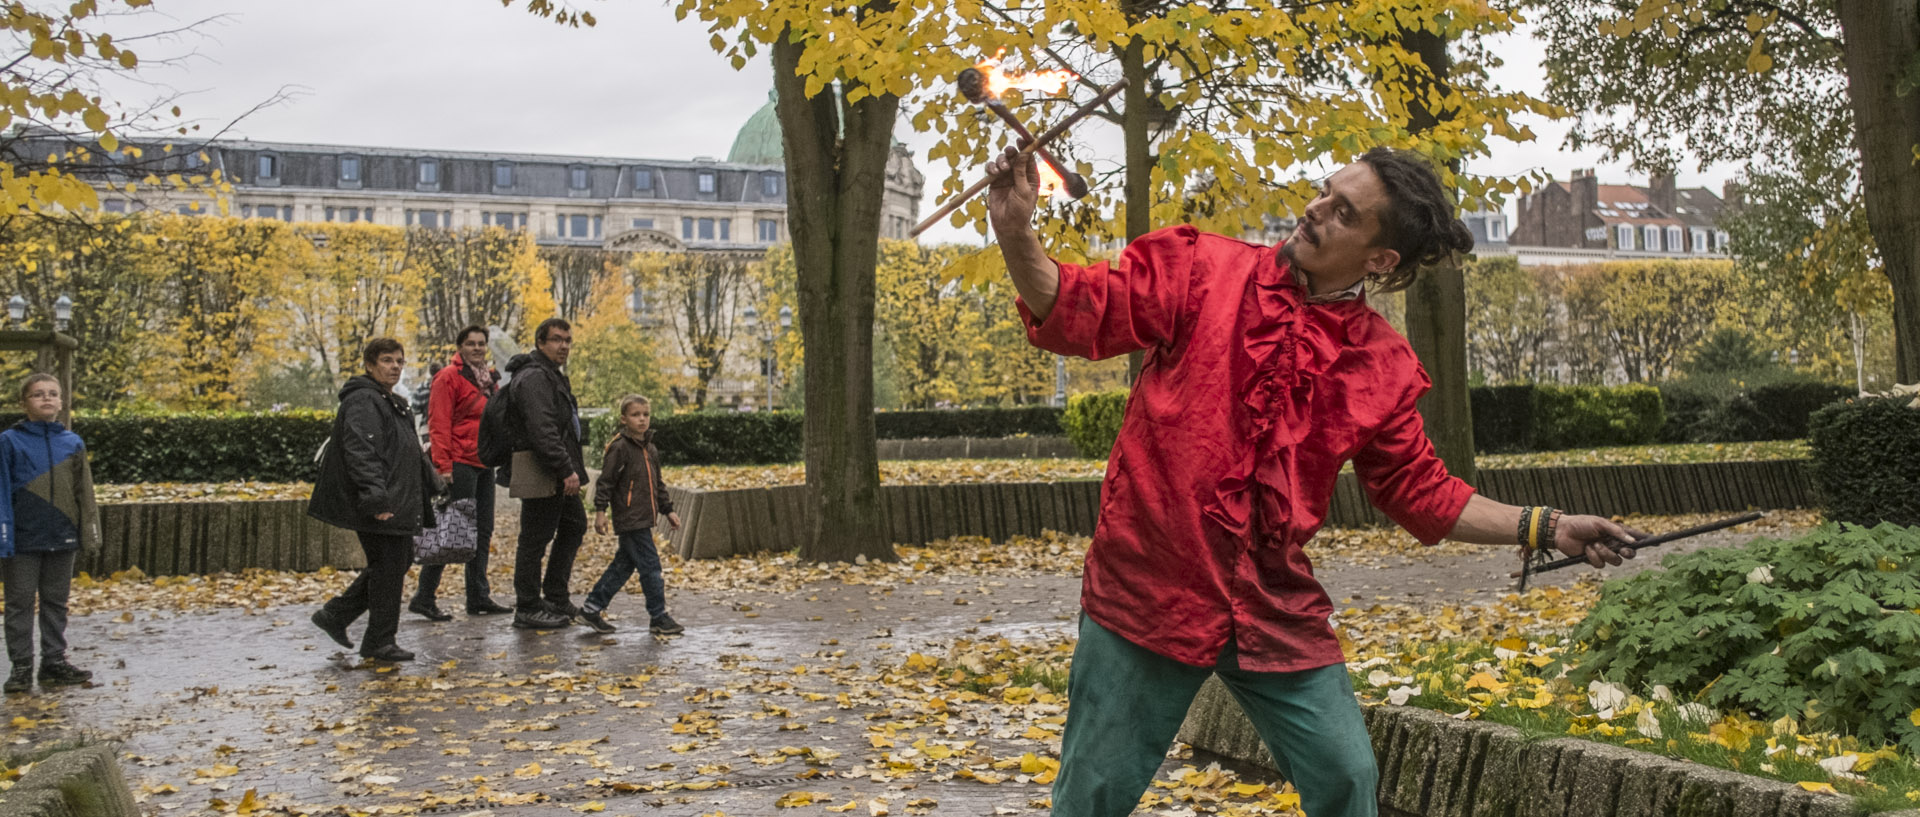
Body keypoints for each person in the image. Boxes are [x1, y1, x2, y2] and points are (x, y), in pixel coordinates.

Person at [981, 145, 1645, 817]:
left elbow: (1423, 492)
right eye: (1325, 192)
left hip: (1272, 604)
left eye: (1343, 211)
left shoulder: (1379, 363)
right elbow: (1075, 306)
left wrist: (1549, 526)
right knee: (1090, 800)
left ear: (1380, 259)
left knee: (1346, 777)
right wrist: (1015, 230)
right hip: (1150, 587)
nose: (1314, 209)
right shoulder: (1201, 267)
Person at [308, 338, 437, 663]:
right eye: (387, 360)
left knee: (393, 563)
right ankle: (378, 641)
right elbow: (361, 451)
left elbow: (404, 449)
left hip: (393, 497)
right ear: (369, 365)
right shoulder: (365, 400)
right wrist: (376, 498)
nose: (394, 367)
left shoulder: (388, 400)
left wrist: (432, 483)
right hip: (380, 501)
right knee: (389, 566)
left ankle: (337, 615)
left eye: (399, 361)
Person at [0, 374, 100, 694]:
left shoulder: (72, 443)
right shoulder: (8, 442)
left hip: (62, 535)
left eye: (53, 394)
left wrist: (89, 533)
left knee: (56, 601)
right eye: (38, 394)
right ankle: (21, 666)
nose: (46, 399)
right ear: (24, 402)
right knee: (19, 603)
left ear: (61, 402)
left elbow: (85, 493)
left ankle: (53, 662)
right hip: (23, 538)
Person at [410, 326, 513, 620]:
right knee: (453, 529)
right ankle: (424, 596)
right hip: (459, 462)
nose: (477, 348)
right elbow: (438, 423)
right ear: (459, 347)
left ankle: (478, 596)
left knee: (482, 530)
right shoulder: (448, 377)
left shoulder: (488, 379)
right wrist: (442, 467)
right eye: (471, 344)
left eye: (481, 344)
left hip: (482, 461)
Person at [503, 318, 587, 631]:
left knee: (575, 525)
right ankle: (527, 606)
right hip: (543, 469)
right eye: (556, 340)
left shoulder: (550, 375)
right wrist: (566, 469)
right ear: (541, 343)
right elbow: (543, 430)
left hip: (555, 467)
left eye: (567, 340)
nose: (563, 346)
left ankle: (554, 595)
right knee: (534, 540)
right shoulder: (535, 377)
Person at [579, 394, 683, 635]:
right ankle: (658, 616)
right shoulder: (619, 447)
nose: (642, 419)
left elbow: (658, 484)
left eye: (645, 414)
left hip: (644, 517)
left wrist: (668, 510)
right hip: (630, 518)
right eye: (636, 415)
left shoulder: (650, 448)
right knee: (651, 567)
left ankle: (591, 609)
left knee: (622, 567)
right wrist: (601, 512)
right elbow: (606, 483)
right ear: (624, 419)